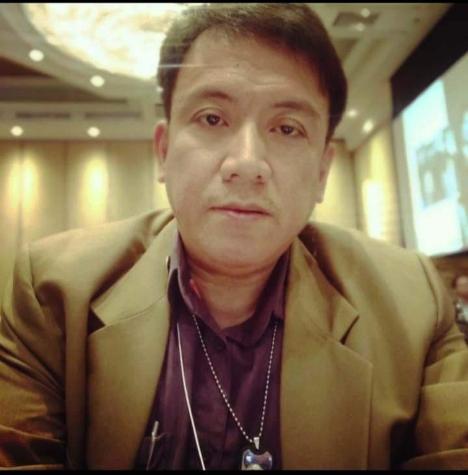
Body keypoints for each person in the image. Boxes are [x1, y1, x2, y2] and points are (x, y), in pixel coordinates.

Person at [1, 3, 468, 470]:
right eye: (212, 118)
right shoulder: (52, 294)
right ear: (164, 151)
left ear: (322, 172)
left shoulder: (414, 306)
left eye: (287, 128)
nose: (246, 164)